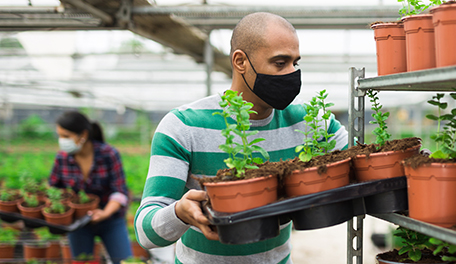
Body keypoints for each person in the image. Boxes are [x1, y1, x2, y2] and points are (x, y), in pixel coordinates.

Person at [134, 12, 348, 263]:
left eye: (295, 63)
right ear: (240, 61)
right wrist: (179, 213)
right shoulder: (184, 126)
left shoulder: (311, 122)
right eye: (280, 63)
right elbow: (145, 232)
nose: (291, 73)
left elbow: (362, 164)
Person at [49, 111, 132, 264]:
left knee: (124, 260)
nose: (62, 141)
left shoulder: (108, 154)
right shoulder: (62, 158)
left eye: (66, 136)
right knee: (83, 261)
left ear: (83, 135)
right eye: (60, 136)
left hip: (111, 220)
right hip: (78, 223)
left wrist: (105, 213)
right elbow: (53, 190)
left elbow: (119, 192)